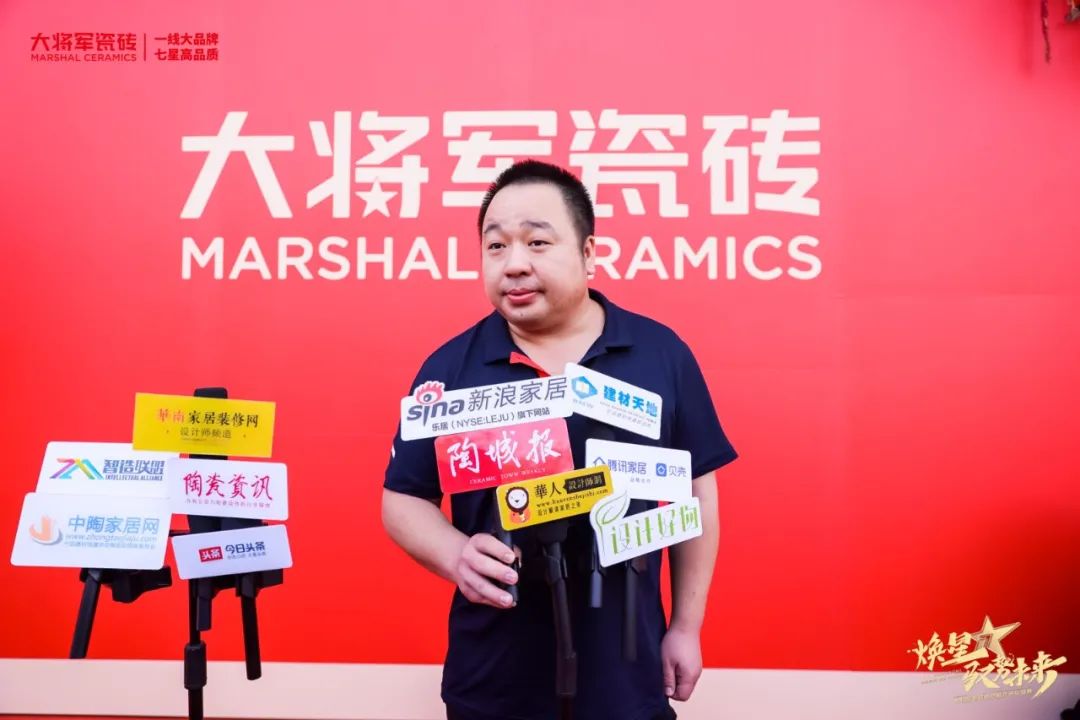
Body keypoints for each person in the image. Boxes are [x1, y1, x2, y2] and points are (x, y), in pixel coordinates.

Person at [382, 160, 737, 720]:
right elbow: (403, 498)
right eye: (495, 246)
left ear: (588, 253)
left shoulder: (660, 354)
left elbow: (695, 492)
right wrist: (455, 555)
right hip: (495, 679)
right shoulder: (449, 370)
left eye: (537, 242)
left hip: (628, 672)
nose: (514, 263)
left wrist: (686, 627)